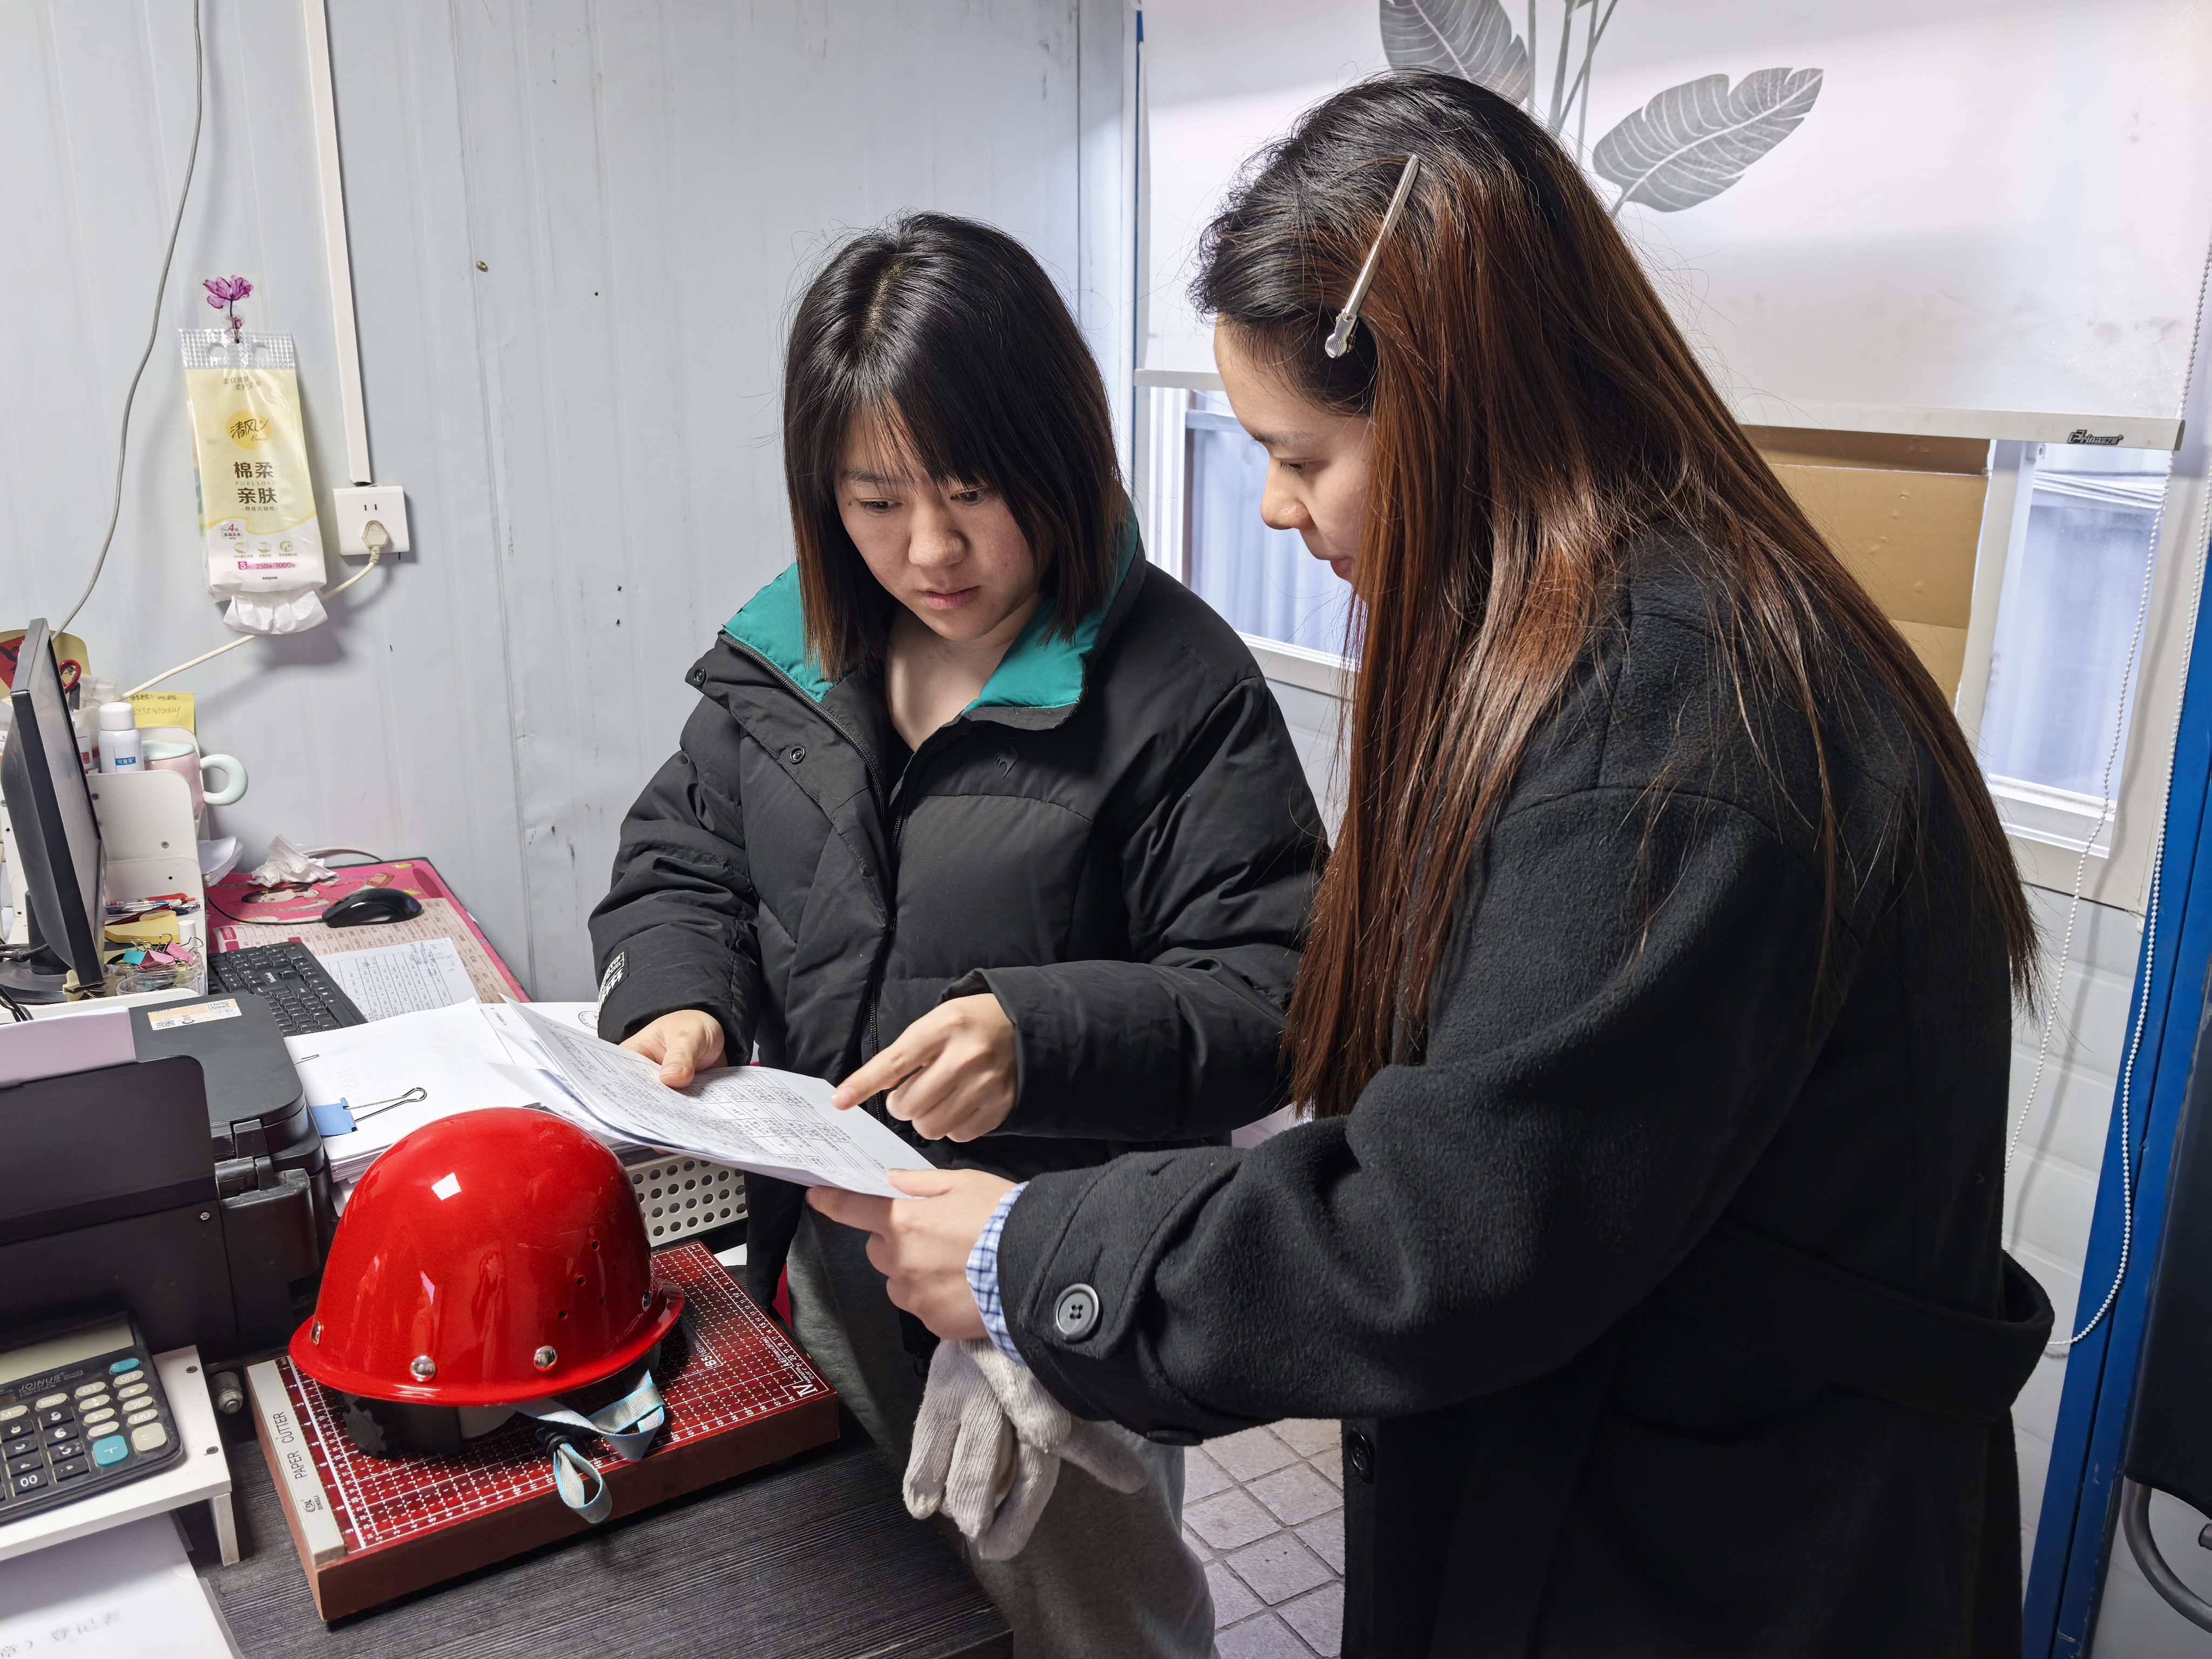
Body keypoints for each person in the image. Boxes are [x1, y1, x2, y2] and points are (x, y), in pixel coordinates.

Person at [811, 73, 2055, 1658]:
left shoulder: (1677, 717)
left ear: (1465, 407)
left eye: (1305, 453)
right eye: (874, 502)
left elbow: (1446, 1221)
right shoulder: (1587, 649)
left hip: (1725, 1551)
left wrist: (1033, 1258)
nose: (1272, 503)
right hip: (1611, 1467)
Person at [589, 211, 1322, 1657]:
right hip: (825, 1259)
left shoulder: (1175, 689)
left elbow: (1282, 994)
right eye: (873, 501)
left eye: (975, 492)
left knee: (1091, 1621)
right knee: (871, 1609)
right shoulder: (787, 660)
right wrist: (683, 999)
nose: (928, 548)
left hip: (1054, 1291)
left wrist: (1037, 1037)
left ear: (1059, 455)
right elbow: (680, 859)